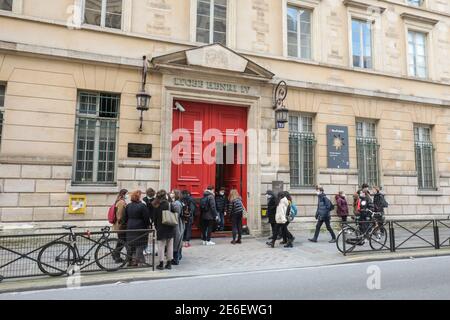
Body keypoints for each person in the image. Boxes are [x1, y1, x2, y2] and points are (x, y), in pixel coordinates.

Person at [122, 190, 151, 267]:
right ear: (139, 197)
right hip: (140, 228)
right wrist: (148, 226)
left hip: (130, 227)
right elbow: (146, 218)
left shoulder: (128, 206)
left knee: (131, 245)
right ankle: (138, 262)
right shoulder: (142, 206)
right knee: (139, 245)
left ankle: (130, 261)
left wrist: (127, 224)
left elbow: (124, 218)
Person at [152, 190, 175, 270]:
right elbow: (174, 214)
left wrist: (156, 227)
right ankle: (169, 263)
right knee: (170, 245)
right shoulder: (169, 204)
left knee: (161, 246)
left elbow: (154, 218)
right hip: (169, 227)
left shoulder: (156, 205)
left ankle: (161, 264)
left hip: (160, 228)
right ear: (165, 196)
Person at [112, 189, 128, 263]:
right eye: (127, 194)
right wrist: (122, 224)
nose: (128, 195)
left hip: (119, 225)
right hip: (121, 225)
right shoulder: (121, 202)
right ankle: (116, 255)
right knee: (122, 241)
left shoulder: (119, 200)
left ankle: (116, 254)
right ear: (124, 194)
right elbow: (120, 215)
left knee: (121, 241)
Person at [170, 190, 185, 265]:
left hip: (177, 224)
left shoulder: (176, 203)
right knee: (178, 240)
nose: (170, 194)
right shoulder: (177, 202)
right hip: (178, 223)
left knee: (176, 240)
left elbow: (177, 214)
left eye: (172, 193)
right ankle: (178, 256)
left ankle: (176, 258)